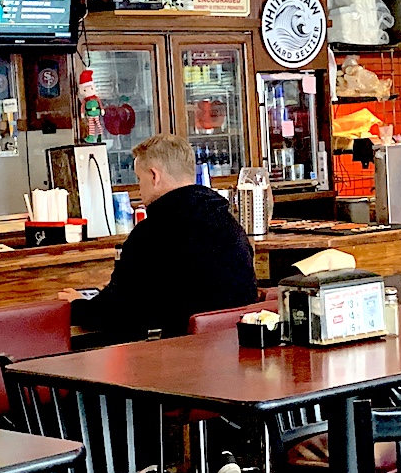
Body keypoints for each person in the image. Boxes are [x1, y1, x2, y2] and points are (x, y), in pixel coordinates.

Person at [57, 132, 258, 340]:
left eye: (139, 179)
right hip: (240, 346)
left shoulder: (152, 234)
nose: (139, 189)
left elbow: (117, 312)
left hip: (181, 353)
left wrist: (77, 305)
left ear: (155, 176)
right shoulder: (229, 223)